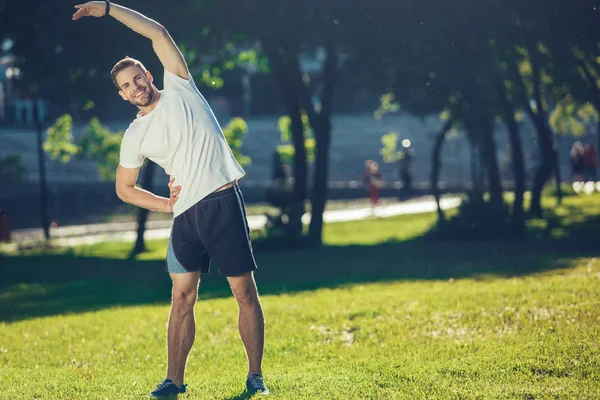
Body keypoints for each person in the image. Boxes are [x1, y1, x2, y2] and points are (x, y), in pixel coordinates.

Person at [72, 2, 268, 397]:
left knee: (244, 293)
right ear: (123, 95)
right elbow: (123, 188)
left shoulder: (180, 85)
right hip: (185, 219)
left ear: (147, 73)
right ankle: (173, 381)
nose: (135, 87)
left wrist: (109, 8)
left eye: (136, 78)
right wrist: (165, 205)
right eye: (125, 86)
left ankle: (255, 376)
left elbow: (157, 32)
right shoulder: (134, 134)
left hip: (222, 203)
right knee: (181, 297)